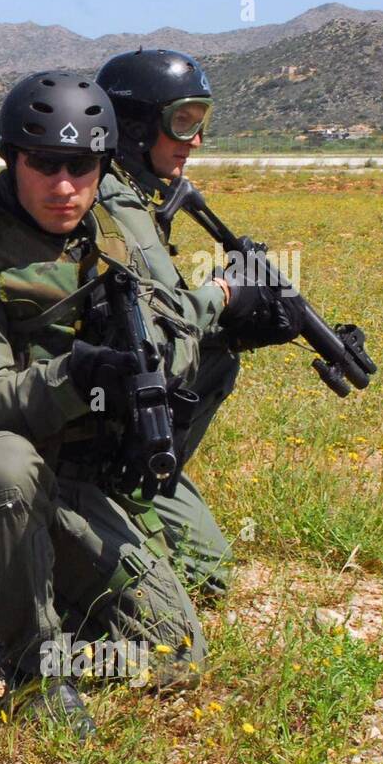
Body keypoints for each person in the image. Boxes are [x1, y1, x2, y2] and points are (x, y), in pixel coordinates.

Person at [0, 73, 225, 735]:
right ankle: (35, 673)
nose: (64, 184)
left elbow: (179, 330)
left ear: (103, 164)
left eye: (81, 166)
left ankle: (52, 629)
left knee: (176, 651)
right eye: (43, 163)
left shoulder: (107, 227)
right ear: (12, 158)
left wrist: (154, 355)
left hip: (85, 481)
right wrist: (80, 375)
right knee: (2, 463)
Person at [96, 49, 238, 595]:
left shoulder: (129, 191)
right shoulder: (112, 197)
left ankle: (139, 487)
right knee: (209, 576)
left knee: (220, 355)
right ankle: (128, 491)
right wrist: (225, 296)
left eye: (200, 122)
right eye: (182, 122)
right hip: (87, 411)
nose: (194, 140)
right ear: (135, 126)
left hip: (109, 399)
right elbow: (168, 323)